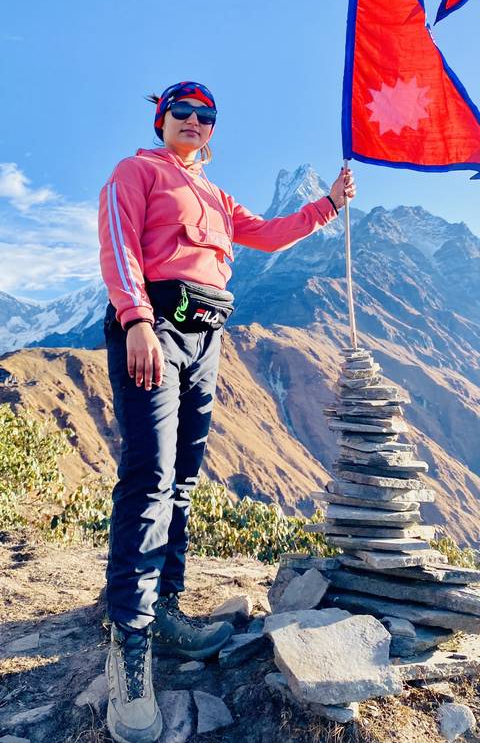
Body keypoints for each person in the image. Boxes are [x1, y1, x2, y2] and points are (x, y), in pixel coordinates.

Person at [98, 80, 356, 743]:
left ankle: (166, 608)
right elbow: (119, 243)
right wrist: (136, 320)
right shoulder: (135, 172)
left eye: (205, 115)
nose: (193, 120)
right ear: (161, 120)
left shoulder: (215, 195)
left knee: (183, 480)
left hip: (206, 340)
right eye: (181, 111)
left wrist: (328, 204)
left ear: (212, 128)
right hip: (154, 328)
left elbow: (267, 234)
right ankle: (129, 637)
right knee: (149, 477)